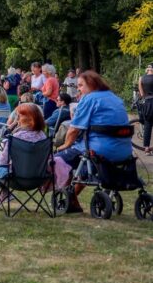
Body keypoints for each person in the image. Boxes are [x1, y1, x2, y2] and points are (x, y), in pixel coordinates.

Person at [56, 71, 133, 213]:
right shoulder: (115, 98)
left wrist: (65, 145)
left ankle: (70, 196)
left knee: (60, 158)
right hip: (124, 151)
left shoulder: (89, 99)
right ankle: (73, 198)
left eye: (80, 85)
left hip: (99, 150)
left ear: (91, 84)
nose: (78, 89)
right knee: (85, 166)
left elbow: (74, 129)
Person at [0, 103, 47, 210]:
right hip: (38, 178)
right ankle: (4, 193)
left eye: (18, 116)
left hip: (16, 178)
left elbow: (3, 162)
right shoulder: (43, 137)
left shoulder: (15, 138)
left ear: (22, 120)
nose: (17, 119)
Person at [138, 63, 153, 155]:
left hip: (147, 104)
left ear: (147, 69)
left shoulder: (141, 78)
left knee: (147, 126)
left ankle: (146, 148)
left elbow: (142, 94)